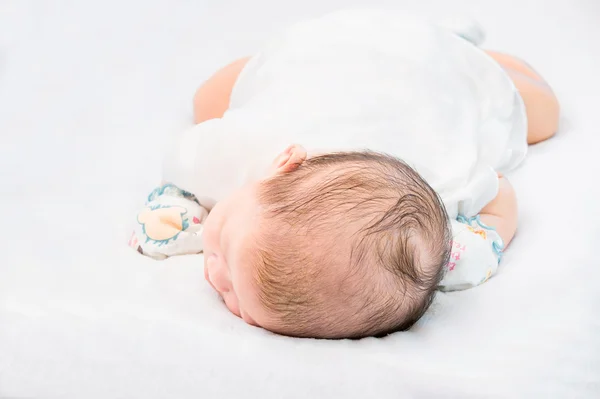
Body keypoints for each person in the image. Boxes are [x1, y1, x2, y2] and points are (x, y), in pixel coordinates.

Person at [129, 9, 559, 338]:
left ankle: (473, 53)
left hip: (422, 74)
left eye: (232, 294)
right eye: (232, 288)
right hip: (331, 54)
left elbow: (498, 191)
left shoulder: (441, 195)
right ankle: (468, 52)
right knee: (209, 99)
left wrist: (491, 235)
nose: (214, 273)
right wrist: (180, 206)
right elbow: (187, 151)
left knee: (543, 116)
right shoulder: (248, 156)